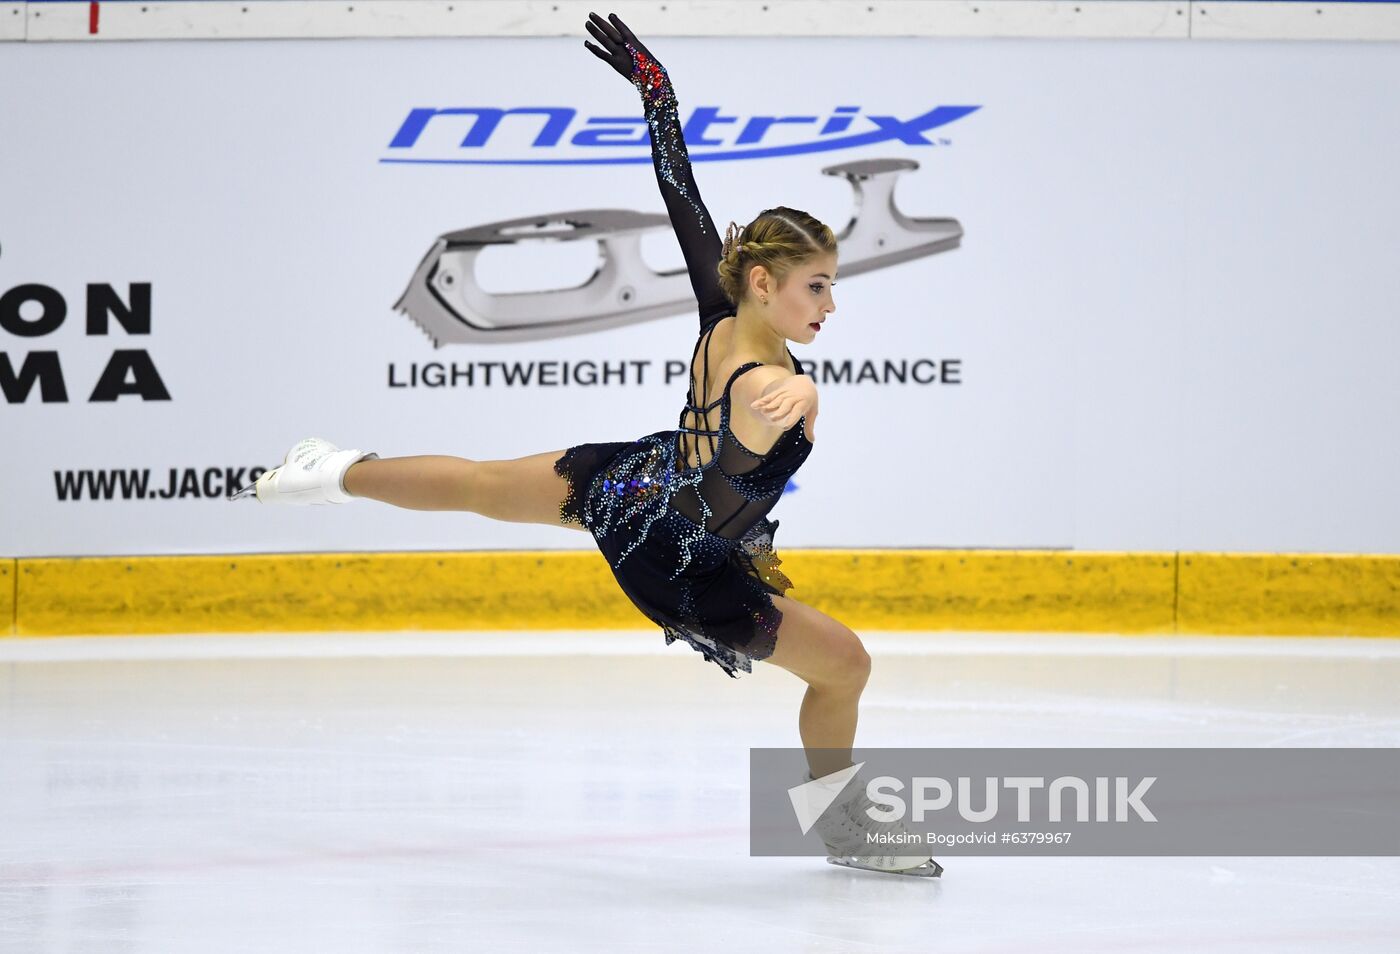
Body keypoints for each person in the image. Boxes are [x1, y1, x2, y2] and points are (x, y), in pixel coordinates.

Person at [234, 11, 939, 877]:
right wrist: (797, 395)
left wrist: (656, 88)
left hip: (633, 484)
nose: (830, 304)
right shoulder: (767, 382)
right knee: (845, 669)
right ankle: (846, 832)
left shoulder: (725, 312)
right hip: (680, 559)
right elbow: (746, 437)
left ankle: (333, 472)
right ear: (766, 282)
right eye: (818, 286)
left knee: (483, 485)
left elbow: (681, 193)